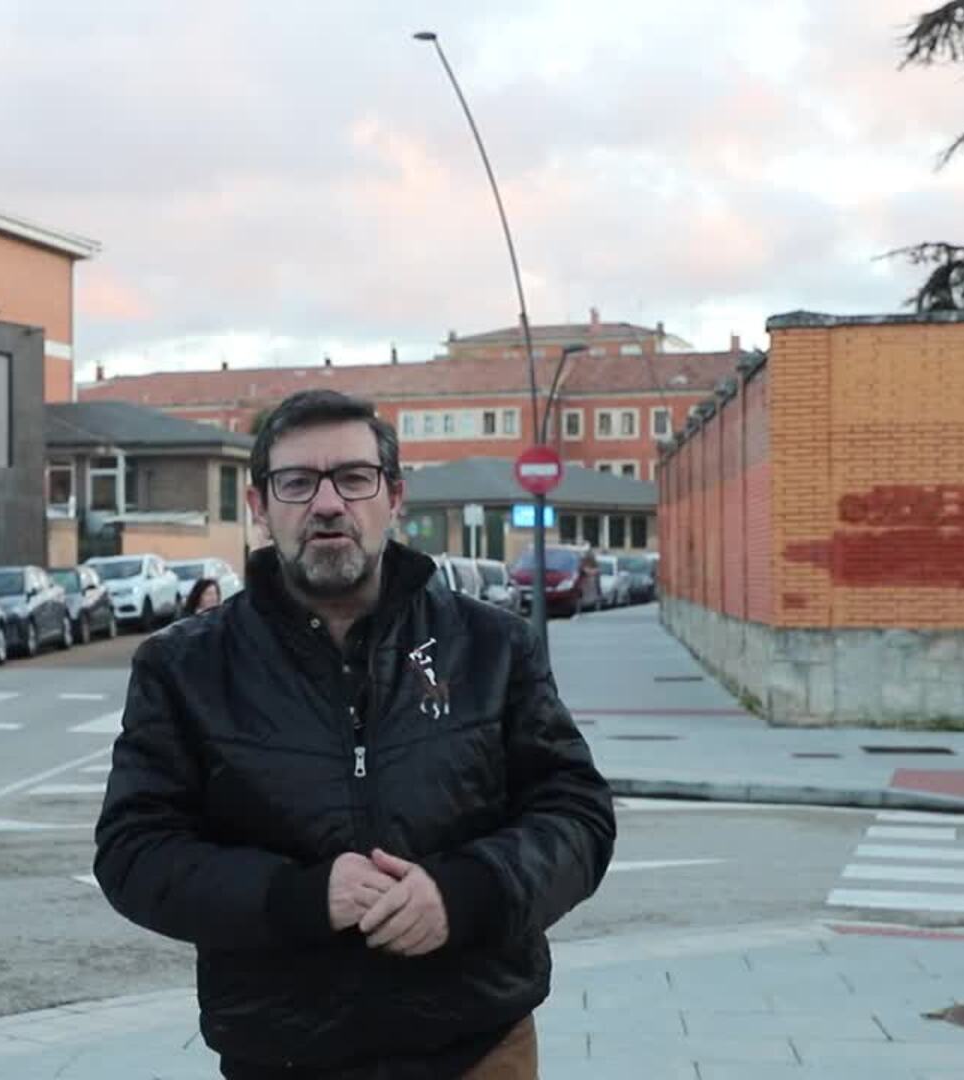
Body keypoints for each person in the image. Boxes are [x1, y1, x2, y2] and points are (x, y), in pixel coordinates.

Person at [94, 389, 616, 1079]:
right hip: (279, 1053)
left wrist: (467, 892)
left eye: (353, 477)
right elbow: (134, 852)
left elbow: (577, 814)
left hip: (478, 1048)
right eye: (298, 482)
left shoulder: (492, 647)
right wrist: (296, 899)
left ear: (394, 497)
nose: (328, 503)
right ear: (260, 506)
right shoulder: (185, 666)